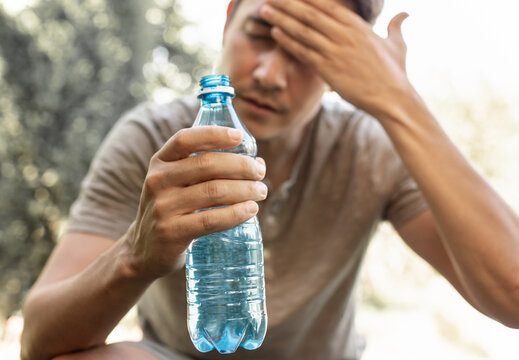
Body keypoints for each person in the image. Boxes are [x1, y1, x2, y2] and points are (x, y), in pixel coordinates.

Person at [20, 0, 519, 359]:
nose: (270, 74)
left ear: (341, 70)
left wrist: (398, 101)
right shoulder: (151, 139)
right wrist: (135, 255)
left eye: (308, 54)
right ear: (228, 19)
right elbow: (39, 342)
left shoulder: (370, 147)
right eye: (261, 34)